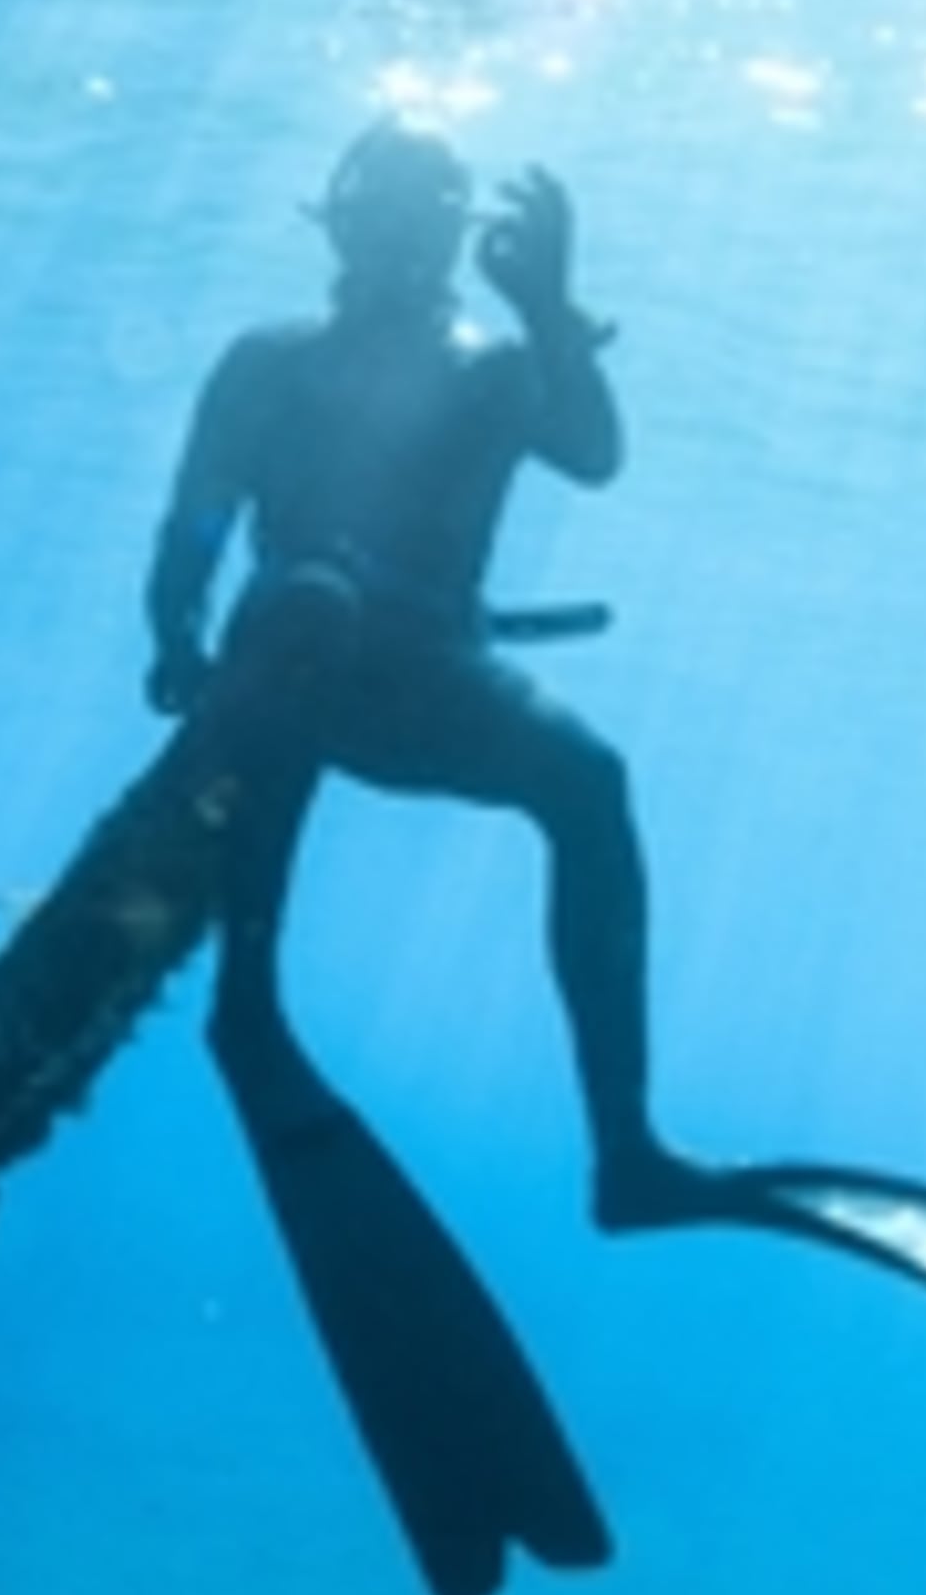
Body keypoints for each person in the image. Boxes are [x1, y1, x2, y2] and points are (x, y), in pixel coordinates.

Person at [141, 116, 705, 1231]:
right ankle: (247, 1001)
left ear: (453, 237)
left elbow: (594, 455)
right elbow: (195, 522)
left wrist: (548, 308)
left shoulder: (495, 367)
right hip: (290, 674)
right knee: (307, 606)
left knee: (591, 780)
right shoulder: (271, 363)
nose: (402, 243)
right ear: (342, 225)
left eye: (424, 219)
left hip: (435, 679)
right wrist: (176, 639)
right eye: (386, 216)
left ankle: (627, 1151)